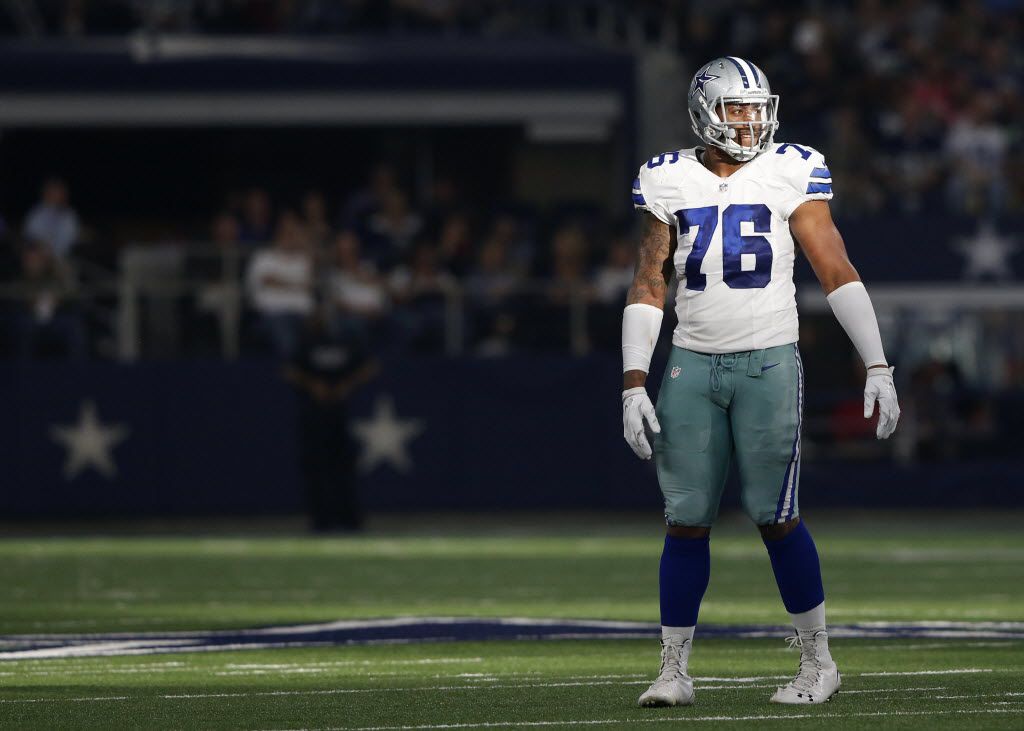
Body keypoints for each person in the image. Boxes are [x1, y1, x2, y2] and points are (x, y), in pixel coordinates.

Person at [622, 57, 900, 708]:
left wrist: (878, 361)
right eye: (736, 109)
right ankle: (674, 668)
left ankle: (818, 662)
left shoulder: (791, 167)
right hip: (691, 361)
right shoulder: (667, 177)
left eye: (756, 108)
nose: (750, 121)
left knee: (775, 514)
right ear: (703, 112)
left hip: (769, 361)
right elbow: (650, 278)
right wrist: (635, 378)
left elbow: (835, 267)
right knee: (685, 518)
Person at [285, 307, 378, 532]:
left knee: (343, 467)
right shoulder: (306, 343)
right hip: (313, 415)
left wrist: (347, 385)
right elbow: (289, 369)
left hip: (340, 413)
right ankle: (320, 520)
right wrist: (312, 385)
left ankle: (349, 518)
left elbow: (370, 366)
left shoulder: (344, 341)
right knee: (316, 467)